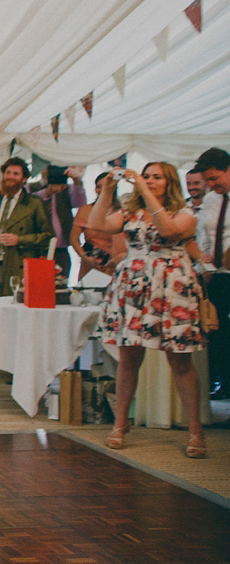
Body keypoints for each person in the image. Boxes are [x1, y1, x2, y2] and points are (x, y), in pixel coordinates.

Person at [89, 162, 205, 459]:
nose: (150, 181)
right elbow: (97, 224)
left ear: (170, 183)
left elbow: (167, 229)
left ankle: (195, 430)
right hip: (134, 286)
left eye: (157, 178)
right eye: (147, 176)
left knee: (180, 362)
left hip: (171, 286)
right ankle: (119, 424)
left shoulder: (186, 214)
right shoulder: (129, 212)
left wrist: (141, 187)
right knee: (128, 360)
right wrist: (107, 191)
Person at [0, 158, 52, 298]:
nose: (10, 177)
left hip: (19, 266)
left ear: (23, 179)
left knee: (15, 307)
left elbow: (48, 236)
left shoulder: (34, 203)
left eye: (15, 173)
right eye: (8, 172)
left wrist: (19, 239)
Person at [195, 148, 230, 401]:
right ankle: (226, 385)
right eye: (207, 180)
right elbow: (204, 236)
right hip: (217, 275)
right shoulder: (210, 200)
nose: (210, 184)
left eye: (215, 178)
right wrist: (205, 266)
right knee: (219, 333)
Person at [32, 165, 86, 280]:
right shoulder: (31, 187)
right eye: (47, 168)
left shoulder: (67, 188)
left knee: (60, 287)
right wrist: (48, 192)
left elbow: (79, 203)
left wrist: (77, 180)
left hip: (61, 250)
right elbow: (29, 202)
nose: (48, 172)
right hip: (37, 250)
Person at [70, 171, 120, 282]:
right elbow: (74, 238)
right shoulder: (85, 210)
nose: (102, 190)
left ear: (114, 187)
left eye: (106, 186)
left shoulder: (122, 212)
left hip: (114, 263)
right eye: (98, 187)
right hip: (90, 262)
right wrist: (84, 257)